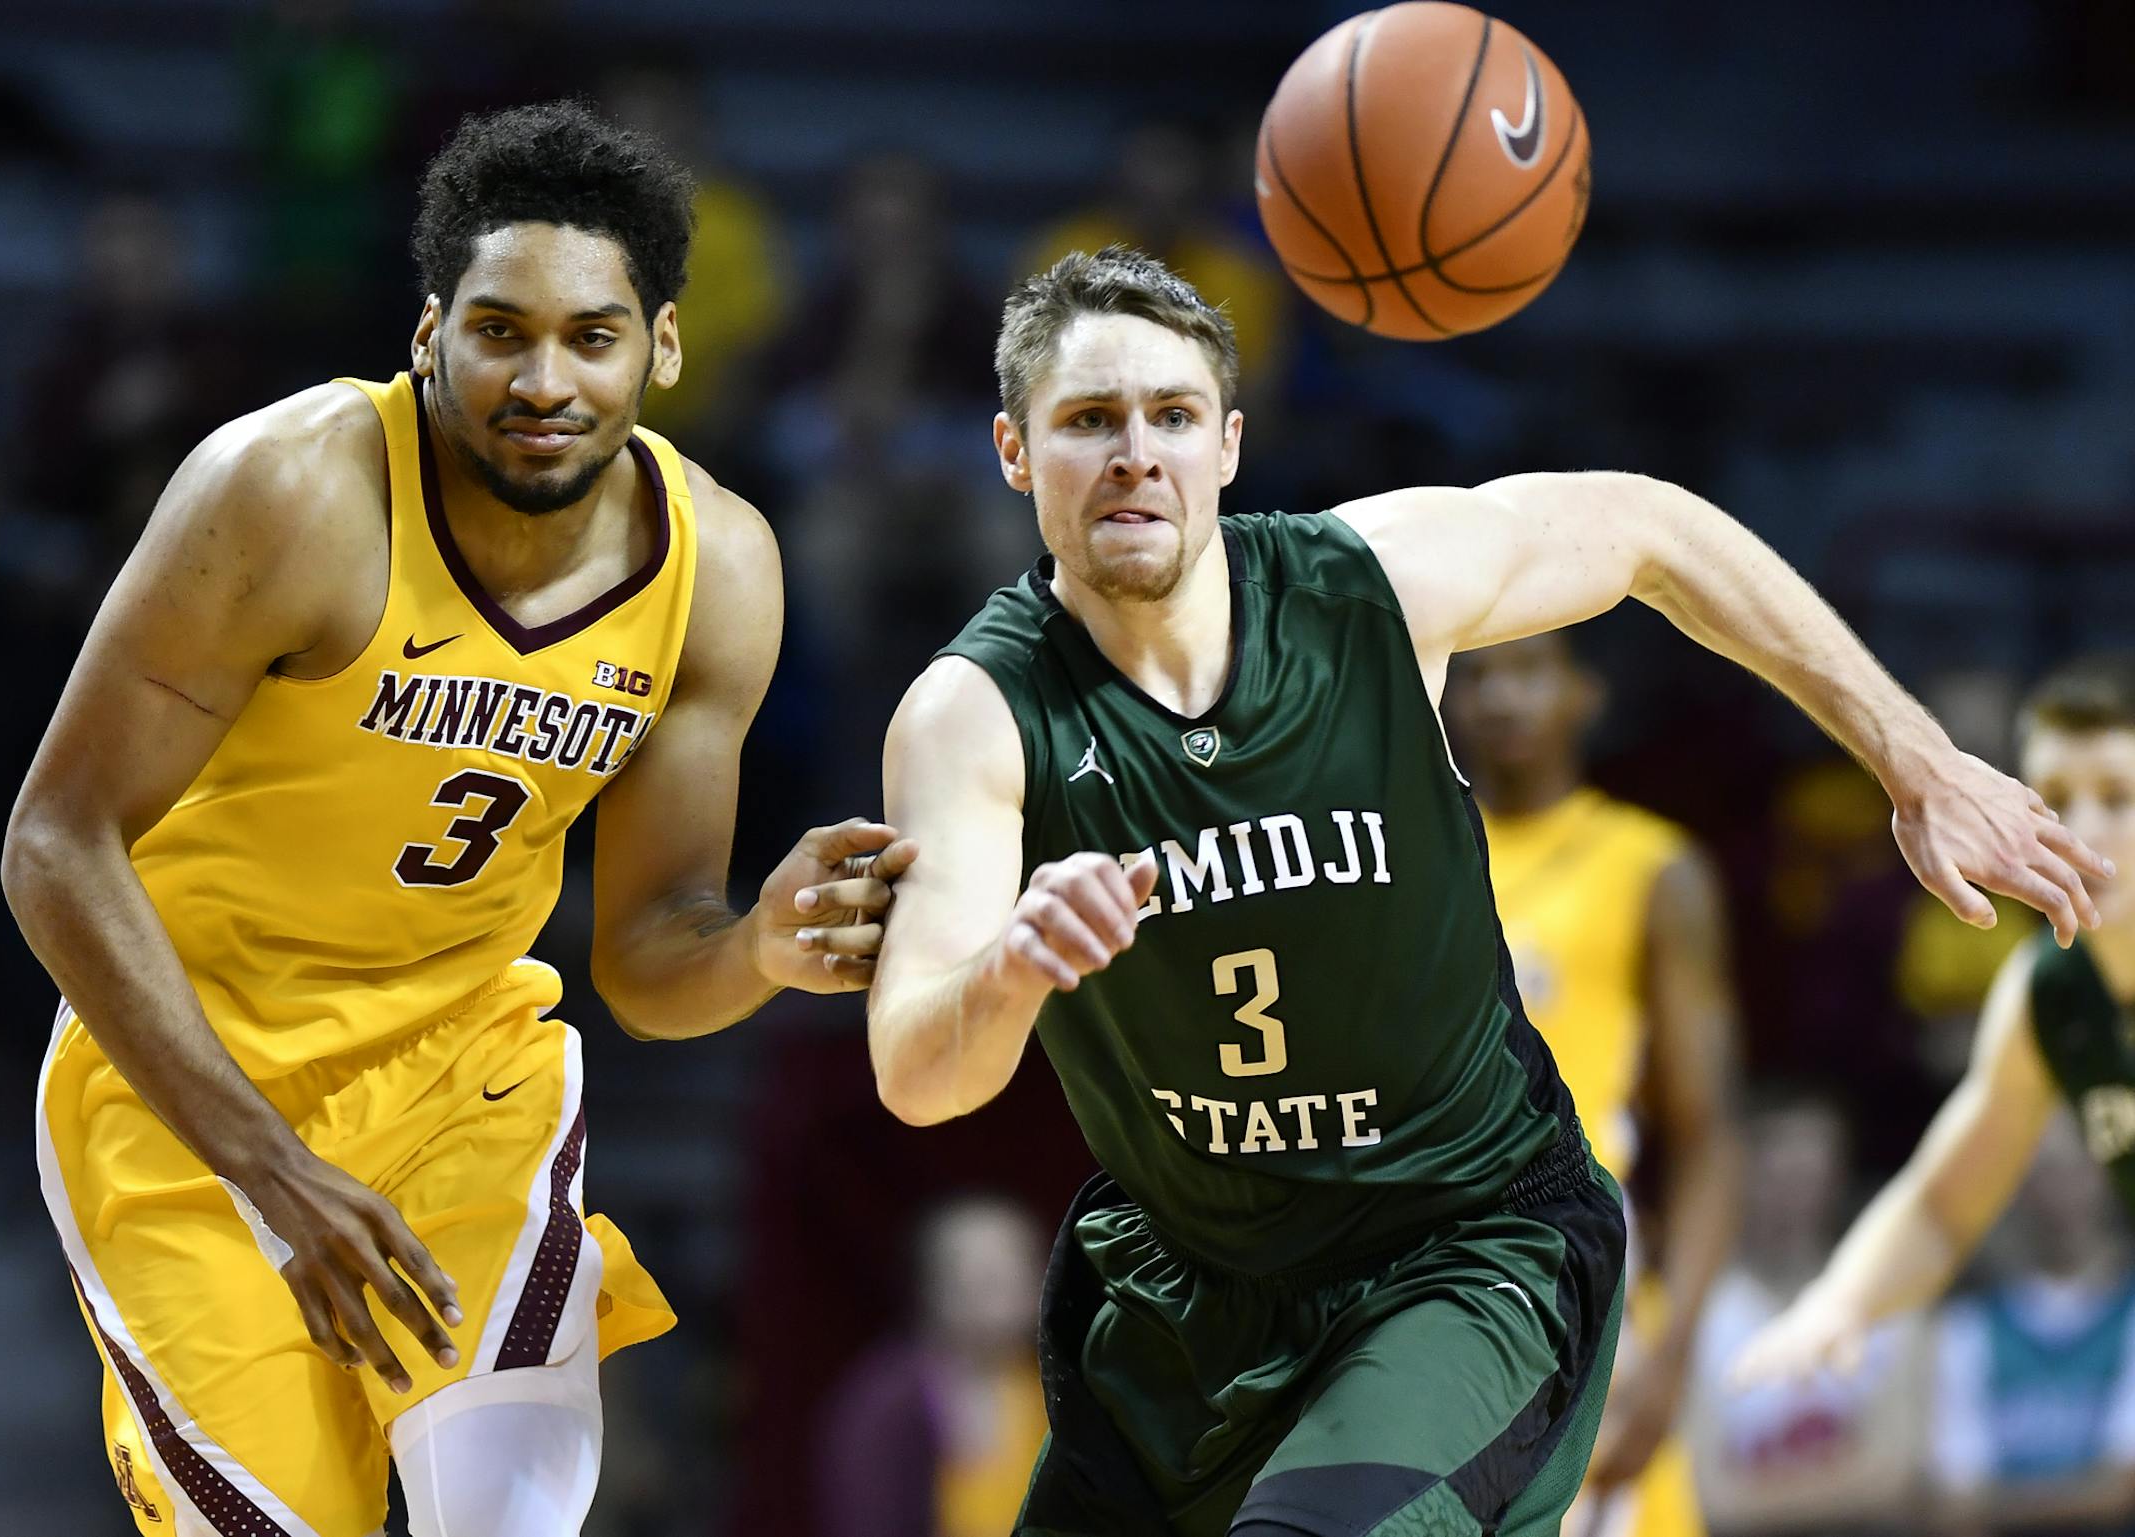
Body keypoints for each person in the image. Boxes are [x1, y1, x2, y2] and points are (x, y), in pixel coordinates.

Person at [864, 245, 2107, 1537]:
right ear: (1014, 451)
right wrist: (1011, 964)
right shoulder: (975, 715)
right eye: (1088, 423)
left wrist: (1913, 758)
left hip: (1461, 1251)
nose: (1136, 454)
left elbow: (1651, 530)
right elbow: (918, 1072)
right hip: (1191, 1289)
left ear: (1228, 444)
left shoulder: (1370, 587)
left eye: (1170, 417)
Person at [2, 101, 912, 1537]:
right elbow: (52, 843)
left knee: (507, 1515)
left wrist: (762, 950)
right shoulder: (291, 489)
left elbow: (652, 952)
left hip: (459, 1077)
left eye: (591, 337)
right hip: (186, 1085)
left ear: (662, 346)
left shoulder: (719, 566)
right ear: (431, 332)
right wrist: (274, 1168)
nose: (542, 379)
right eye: (500, 330)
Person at [1732, 656, 2135, 1402]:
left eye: (2117, 796)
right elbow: (1946, 1203)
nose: (2082, 829)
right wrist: (1839, 1303)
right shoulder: (2047, 987)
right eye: (2053, 799)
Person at [1447, 634, 1745, 1537]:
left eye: (1531, 670)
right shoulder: (1407, 862)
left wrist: (1676, 1351)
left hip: (1586, 1282)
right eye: (1477, 675)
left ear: (1587, 692)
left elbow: (1709, 1135)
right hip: (1438, 1285)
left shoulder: (1652, 867)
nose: (1503, 698)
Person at [1687, 1094, 1933, 1536]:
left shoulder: (1888, 1300)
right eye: (1774, 1176)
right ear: (1740, 1178)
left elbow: (1897, 1479)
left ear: (1838, 1177)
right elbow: (1702, 1496)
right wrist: (1846, 1486)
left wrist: (1754, 1497)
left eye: (1807, 1176)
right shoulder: (1696, 1315)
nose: (1790, 1199)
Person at [1928, 1118, 2135, 1533]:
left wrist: (1995, 1505)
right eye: (2044, 1171)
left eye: (2079, 1168)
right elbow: (1952, 1503)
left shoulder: (2127, 1313)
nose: (2062, 1190)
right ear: (2014, 1187)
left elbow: (2119, 1490)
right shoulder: (1968, 1324)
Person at [818, 1196, 1050, 1537]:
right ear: (938, 1288)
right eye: (990, 1278)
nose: (1018, 1290)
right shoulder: (887, 1405)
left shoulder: (1058, 1385)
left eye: (1026, 1267)